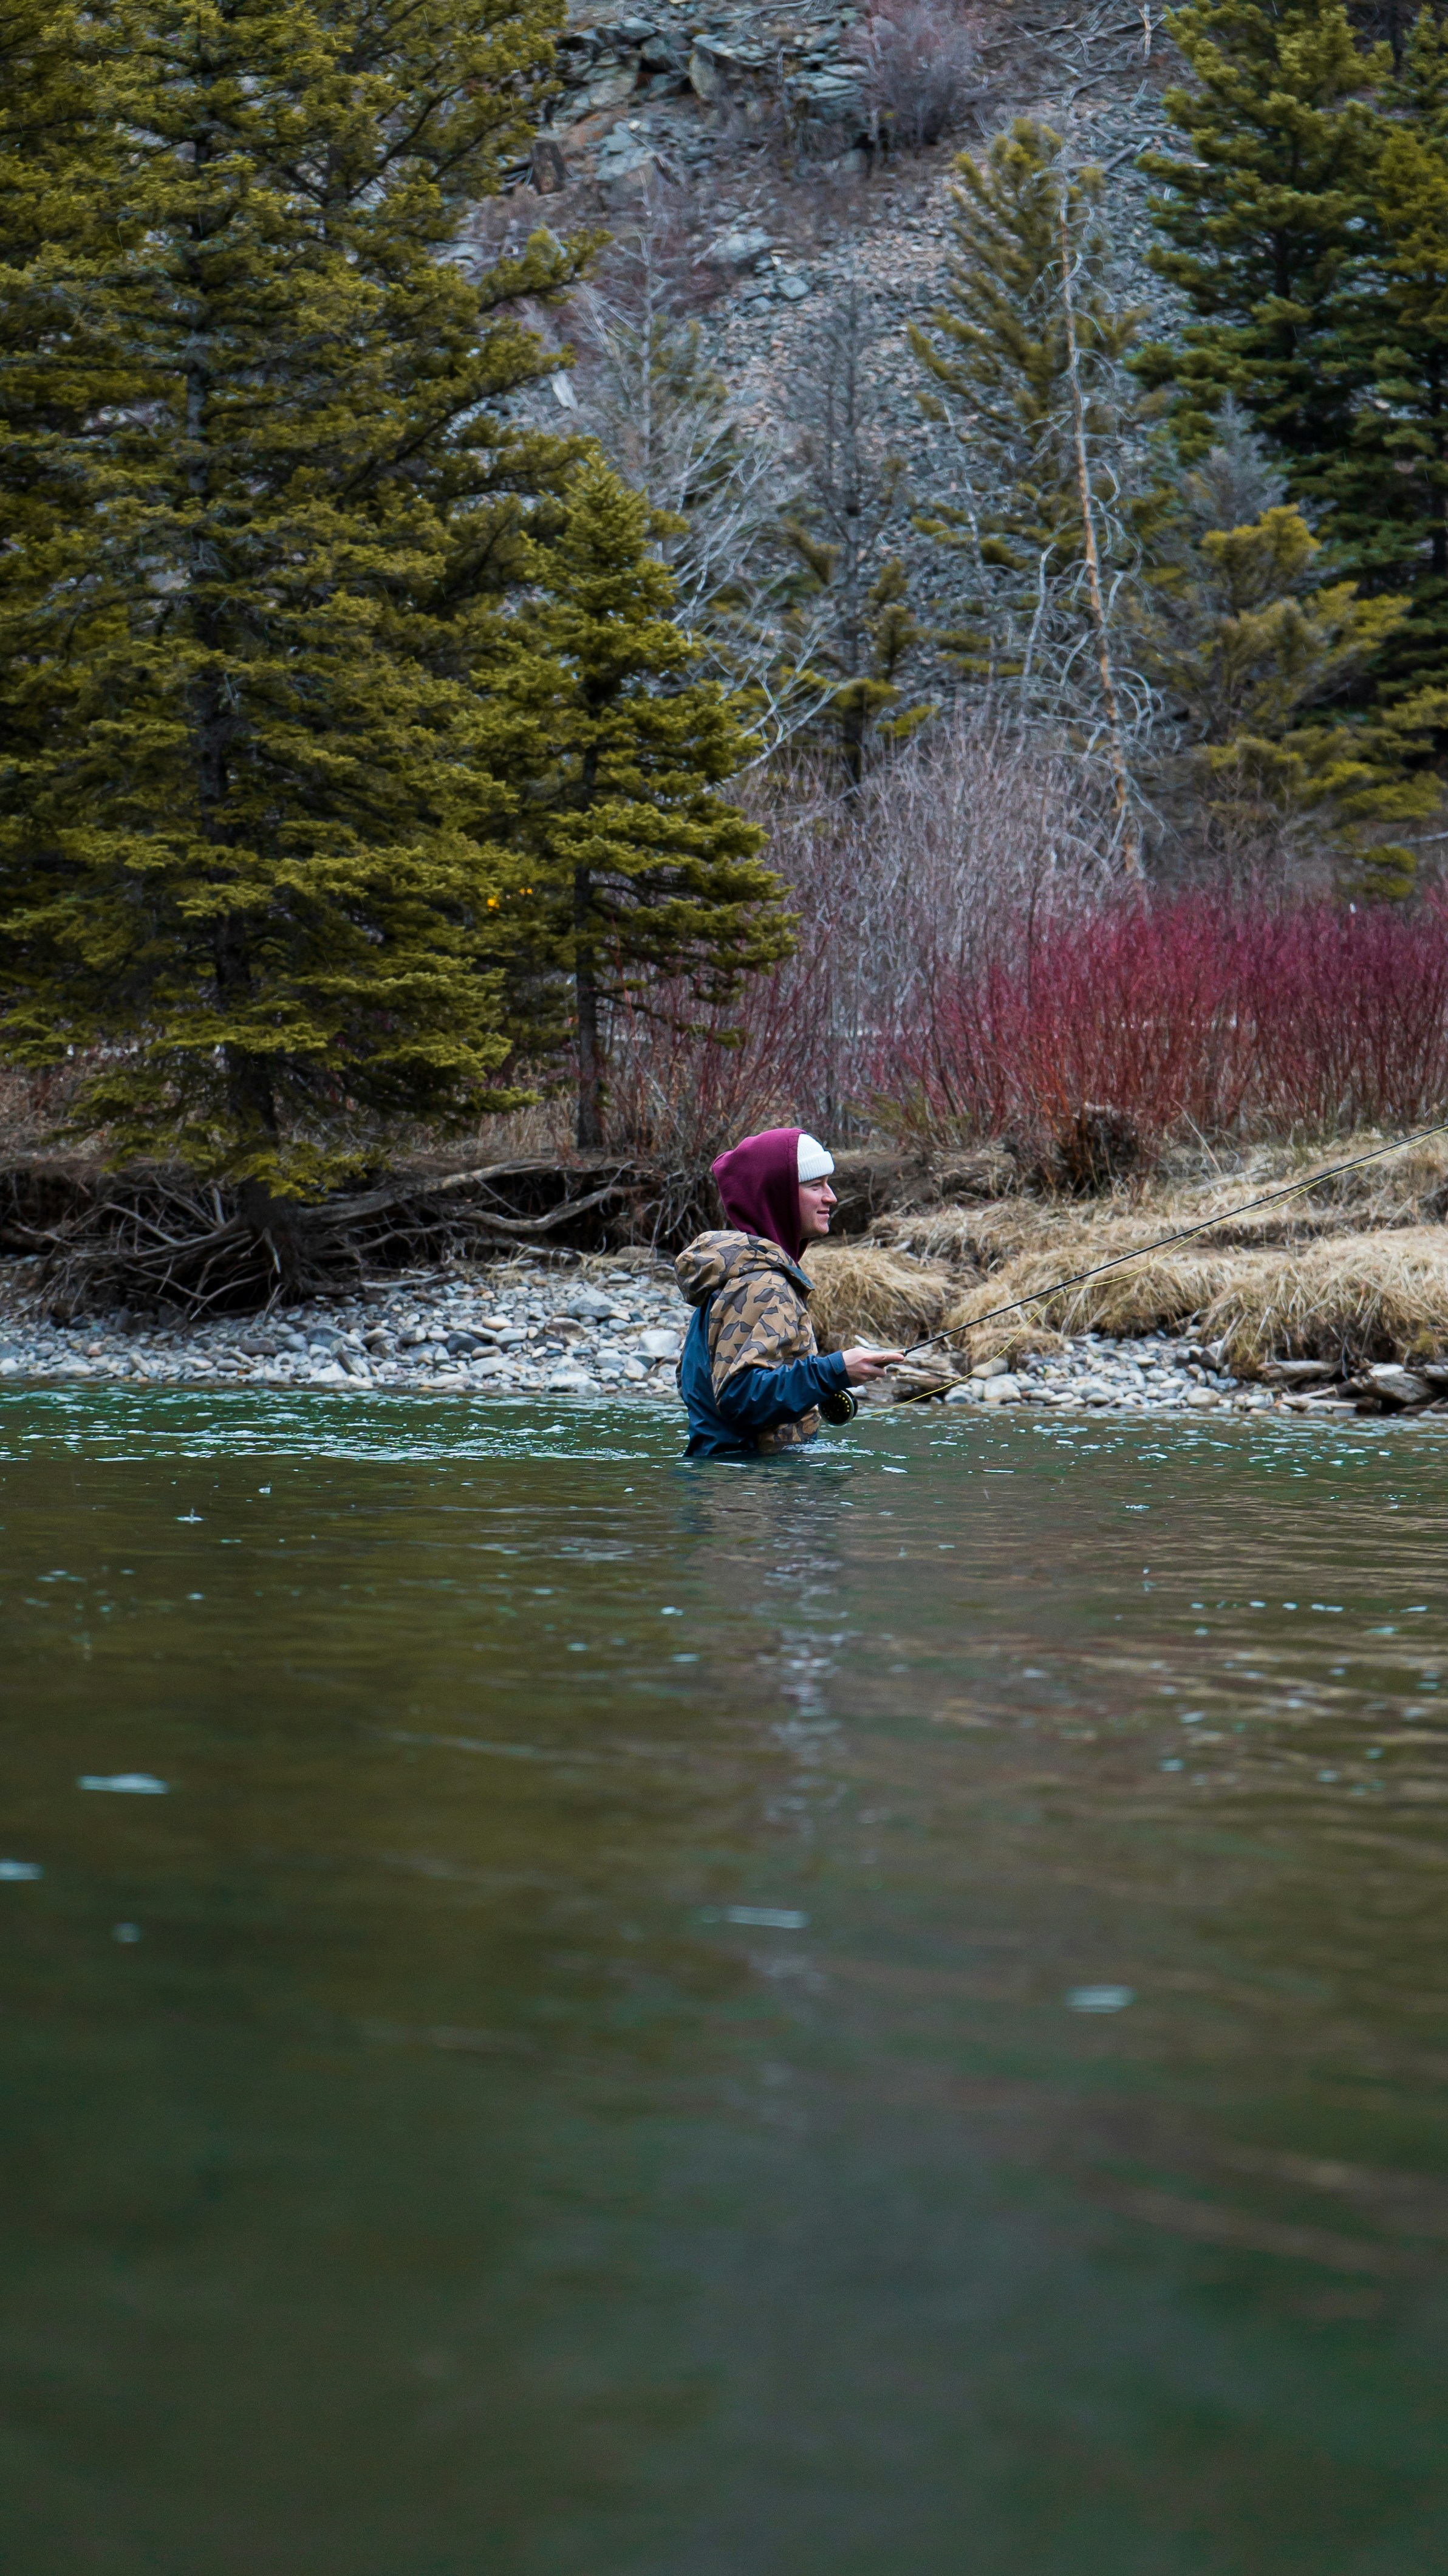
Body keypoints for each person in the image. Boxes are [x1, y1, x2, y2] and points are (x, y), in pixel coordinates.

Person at [675, 1126, 903, 1459]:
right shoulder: (763, 1284)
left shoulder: (732, 1278)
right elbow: (741, 1397)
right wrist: (833, 1372)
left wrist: (816, 1386)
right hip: (753, 1496)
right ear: (778, 1196)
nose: (831, 1197)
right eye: (815, 1186)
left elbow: (707, 1387)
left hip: (725, 1487)